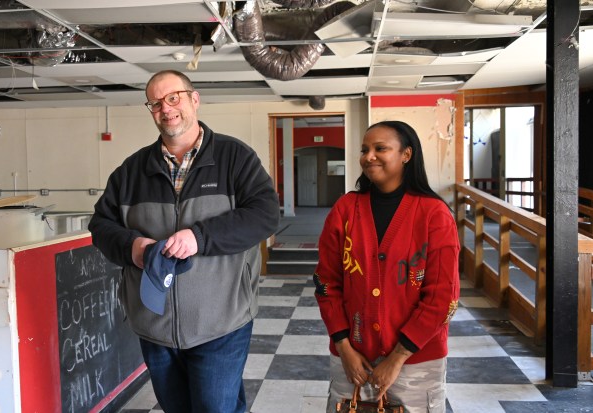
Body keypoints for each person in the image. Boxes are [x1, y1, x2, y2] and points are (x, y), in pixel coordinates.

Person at [88, 70, 279, 413]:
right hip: (154, 325)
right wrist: (133, 248)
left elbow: (265, 215)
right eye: (156, 103)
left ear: (194, 99)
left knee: (213, 407)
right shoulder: (131, 171)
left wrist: (200, 237)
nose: (166, 108)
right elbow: (101, 225)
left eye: (173, 97)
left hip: (221, 322)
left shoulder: (235, 158)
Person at [314, 120, 460, 413]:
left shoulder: (434, 214)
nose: (369, 156)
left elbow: (442, 296)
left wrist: (397, 358)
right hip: (352, 357)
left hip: (416, 360)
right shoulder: (345, 209)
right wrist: (344, 348)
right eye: (365, 149)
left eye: (380, 148)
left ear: (406, 154)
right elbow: (327, 283)